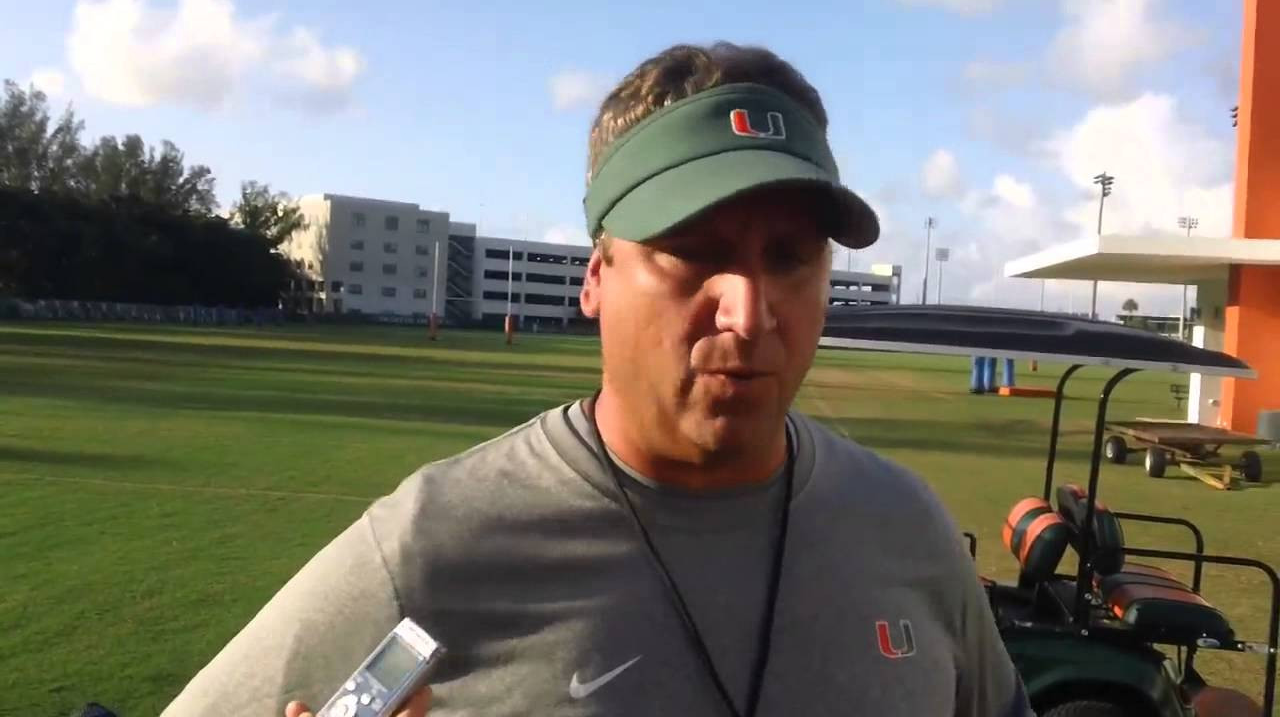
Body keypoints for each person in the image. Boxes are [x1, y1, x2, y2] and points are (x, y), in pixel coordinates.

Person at [160, 41, 1032, 717]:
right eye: (696, 252)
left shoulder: (904, 530)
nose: (750, 310)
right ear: (597, 277)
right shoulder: (436, 549)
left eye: (792, 258)